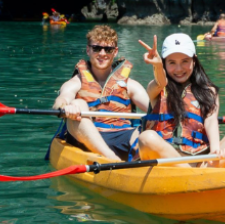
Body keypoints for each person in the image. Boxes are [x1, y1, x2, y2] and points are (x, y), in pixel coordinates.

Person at [137, 33, 225, 167]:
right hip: (166, 163)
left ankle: (204, 172)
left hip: (201, 162)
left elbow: (211, 121)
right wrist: (158, 66)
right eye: (171, 62)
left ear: (194, 61)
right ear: (164, 63)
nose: (179, 69)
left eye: (185, 61)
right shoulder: (157, 89)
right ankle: (193, 176)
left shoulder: (209, 91)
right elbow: (161, 81)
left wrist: (215, 149)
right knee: (146, 138)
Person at [53, 26, 163, 161]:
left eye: (108, 49)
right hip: (84, 138)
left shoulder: (130, 85)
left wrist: (159, 67)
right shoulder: (77, 82)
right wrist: (65, 107)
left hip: (121, 135)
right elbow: (62, 98)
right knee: (77, 103)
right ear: (88, 50)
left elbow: (156, 110)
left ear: (115, 52)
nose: (102, 53)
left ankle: (144, 163)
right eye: (96, 48)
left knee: (146, 133)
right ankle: (112, 159)